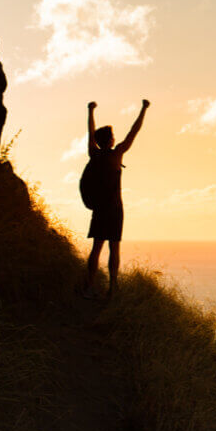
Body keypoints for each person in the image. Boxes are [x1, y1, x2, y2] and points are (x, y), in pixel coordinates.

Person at [83, 99, 149, 299]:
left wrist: (91, 112)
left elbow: (90, 132)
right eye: (112, 136)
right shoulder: (117, 154)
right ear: (110, 140)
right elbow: (133, 131)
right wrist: (143, 109)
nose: (114, 138)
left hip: (99, 209)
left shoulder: (93, 154)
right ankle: (113, 288)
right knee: (114, 248)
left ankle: (89, 286)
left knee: (96, 248)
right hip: (115, 210)